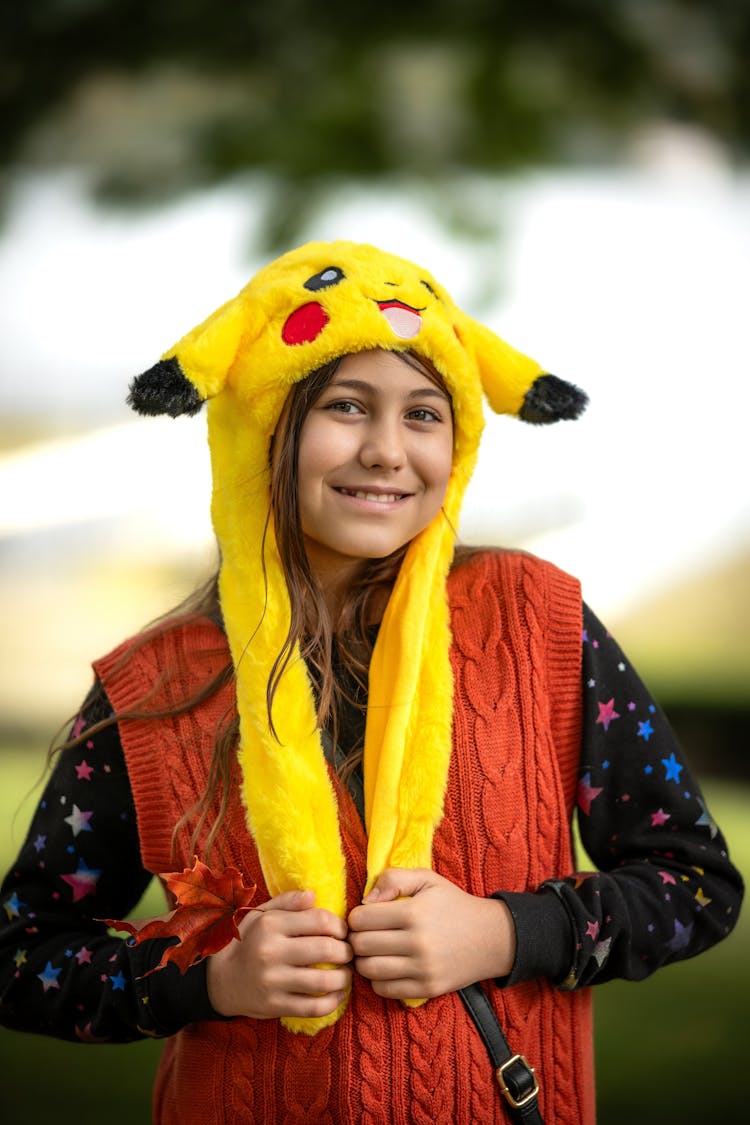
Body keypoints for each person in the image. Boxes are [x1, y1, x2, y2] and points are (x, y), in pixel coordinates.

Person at [0, 240, 743, 1124]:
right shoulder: (155, 683)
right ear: (262, 427)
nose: (388, 451)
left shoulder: (540, 623)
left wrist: (508, 932)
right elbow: (23, 956)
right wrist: (208, 978)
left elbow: (695, 883)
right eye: (346, 406)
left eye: (425, 414)